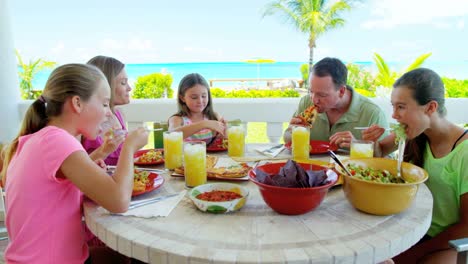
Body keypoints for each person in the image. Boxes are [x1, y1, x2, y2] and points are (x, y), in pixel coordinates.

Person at [0, 63, 148, 263]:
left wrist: (98, 157)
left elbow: (57, 185)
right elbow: (118, 201)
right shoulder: (57, 140)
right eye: (104, 104)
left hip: (38, 258)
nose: (108, 113)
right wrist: (130, 147)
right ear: (77, 103)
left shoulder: (40, 139)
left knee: (125, 257)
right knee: (140, 258)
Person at [362, 68, 468, 263]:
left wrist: (412, 254)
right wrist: (374, 142)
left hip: (446, 242)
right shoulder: (413, 133)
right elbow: (378, 154)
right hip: (408, 229)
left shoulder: (464, 152)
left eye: (401, 107)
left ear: (430, 107)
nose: (394, 115)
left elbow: (466, 227)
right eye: (393, 106)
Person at [283, 57, 389, 148]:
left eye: (322, 95)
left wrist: (357, 145)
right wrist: (293, 131)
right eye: (311, 91)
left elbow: (385, 158)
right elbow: (287, 139)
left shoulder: (372, 114)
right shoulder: (306, 102)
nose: (314, 100)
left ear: (341, 91)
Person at [82, 55, 132, 165]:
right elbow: (77, 169)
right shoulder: (87, 124)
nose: (129, 88)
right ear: (106, 86)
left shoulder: (118, 113)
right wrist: (132, 145)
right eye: (123, 83)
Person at [168, 73, 226, 146]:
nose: (200, 101)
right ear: (182, 98)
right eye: (194, 97)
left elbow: (222, 143)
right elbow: (171, 135)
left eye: (204, 96)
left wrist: (225, 132)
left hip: (210, 157)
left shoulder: (213, 116)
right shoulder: (177, 119)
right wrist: (204, 124)